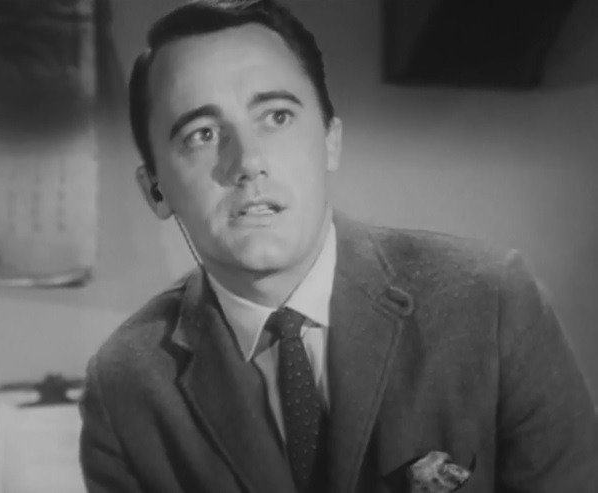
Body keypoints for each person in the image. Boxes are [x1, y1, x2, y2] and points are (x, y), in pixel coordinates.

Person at [78, 1, 598, 492]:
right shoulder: (124, 385)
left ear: (330, 140)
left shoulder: (494, 303)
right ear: (156, 190)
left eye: (277, 116)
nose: (248, 162)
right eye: (202, 134)